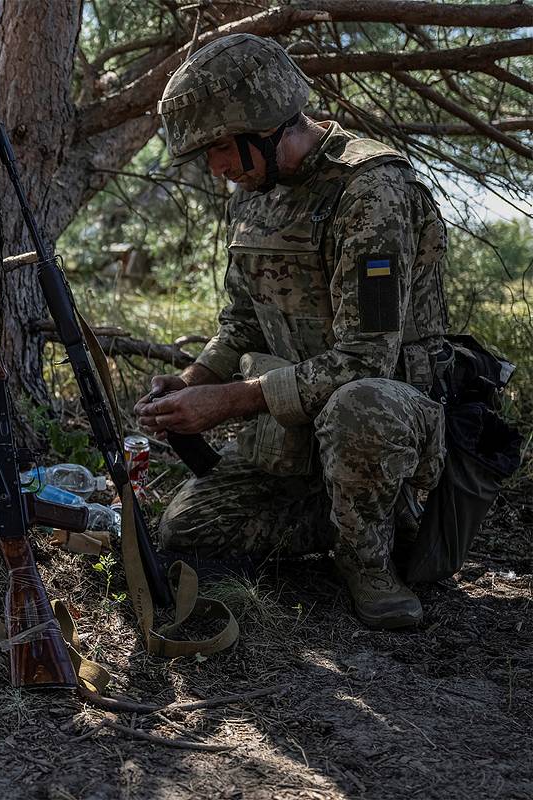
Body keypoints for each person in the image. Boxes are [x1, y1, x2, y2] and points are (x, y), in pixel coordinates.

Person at [136, 34, 449, 630]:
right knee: (184, 531)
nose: (218, 168)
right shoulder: (257, 193)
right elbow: (241, 322)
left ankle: (371, 558)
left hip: (382, 421)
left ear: (269, 125)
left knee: (361, 405)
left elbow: (365, 359)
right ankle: (338, 514)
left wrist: (225, 401)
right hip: (294, 433)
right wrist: (188, 384)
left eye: (222, 149)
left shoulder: (370, 190)